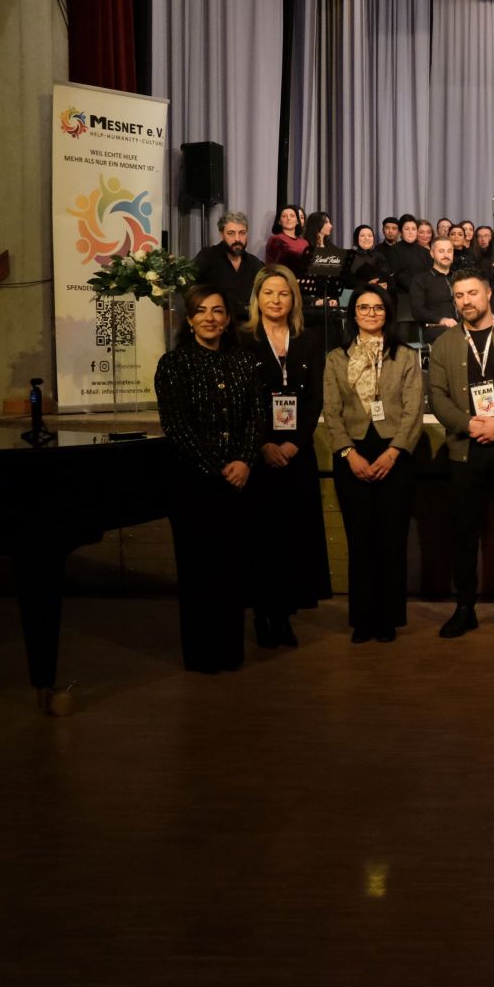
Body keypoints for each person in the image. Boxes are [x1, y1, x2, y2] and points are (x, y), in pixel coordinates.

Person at [154, 284, 263, 673]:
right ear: (189, 319)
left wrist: (244, 460)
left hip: (238, 483)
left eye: (217, 311)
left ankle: (229, 651)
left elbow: (256, 418)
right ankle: (201, 654)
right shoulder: (174, 364)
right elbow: (176, 426)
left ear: (228, 319)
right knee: (198, 571)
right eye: (201, 311)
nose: (210, 318)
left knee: (231, 570)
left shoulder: (244, 362)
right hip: (193, 485)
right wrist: (218, 465)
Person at [430, 266, 494, 640]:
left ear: (489, 294)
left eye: (472, 293)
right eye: (459, 296)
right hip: (465, 450)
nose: (466, 301)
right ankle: (465, 608)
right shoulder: (444, 344)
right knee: (464, 533)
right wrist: (468, 424)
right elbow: (437, 396)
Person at [318, 283, 423, 643]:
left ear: (387, 313)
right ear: (354, 314)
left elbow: (413, 411)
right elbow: (332, 412)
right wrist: (349, 454)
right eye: (363, 307)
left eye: (378, 308)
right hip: (353, 456)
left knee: (391, 541)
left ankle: (388, 619)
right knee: (360, 541)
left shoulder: (405, 356)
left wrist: (394, 452)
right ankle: (363, 620)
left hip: (396, 455)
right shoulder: (337, 358)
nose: (371, 313)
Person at [238, 265, 332, 649]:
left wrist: (295, 443)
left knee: (294, 538)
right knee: (263, 539)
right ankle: (263, 614)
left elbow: (315, 398)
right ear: (257, 299)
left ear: (294, 299)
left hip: (297, 453)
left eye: (283, 293)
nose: (276, 300)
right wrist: (263, 444)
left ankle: (284, 615)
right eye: (269, 293)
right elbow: (241, 401)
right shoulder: (242, 341)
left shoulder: (308, 340)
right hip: (258, 454)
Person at [193, 210, 266, 320]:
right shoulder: (207, 257)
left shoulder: (254, 263)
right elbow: (189, 288)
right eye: (231, 233)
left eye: (242, 233)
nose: (237, 239)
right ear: (222, 235)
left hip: (246, 324)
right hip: (214, 322)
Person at [409, 236, 458, 341]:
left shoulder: (460, 278)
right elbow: (417, 310)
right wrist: (441, 320)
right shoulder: (420, 279)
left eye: (449, 251)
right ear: (432, 253)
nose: (446, 255)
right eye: (441, 251)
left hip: (463, 326)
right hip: (437, 328)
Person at [264, 204, 309, 274]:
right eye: (284, 216)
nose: (288, 218)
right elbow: (271, 266)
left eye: (292, 216)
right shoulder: (276, 239)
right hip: (282, 277)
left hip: (303, 278)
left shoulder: (304, 242)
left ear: (297, 221)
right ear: (279, 221)